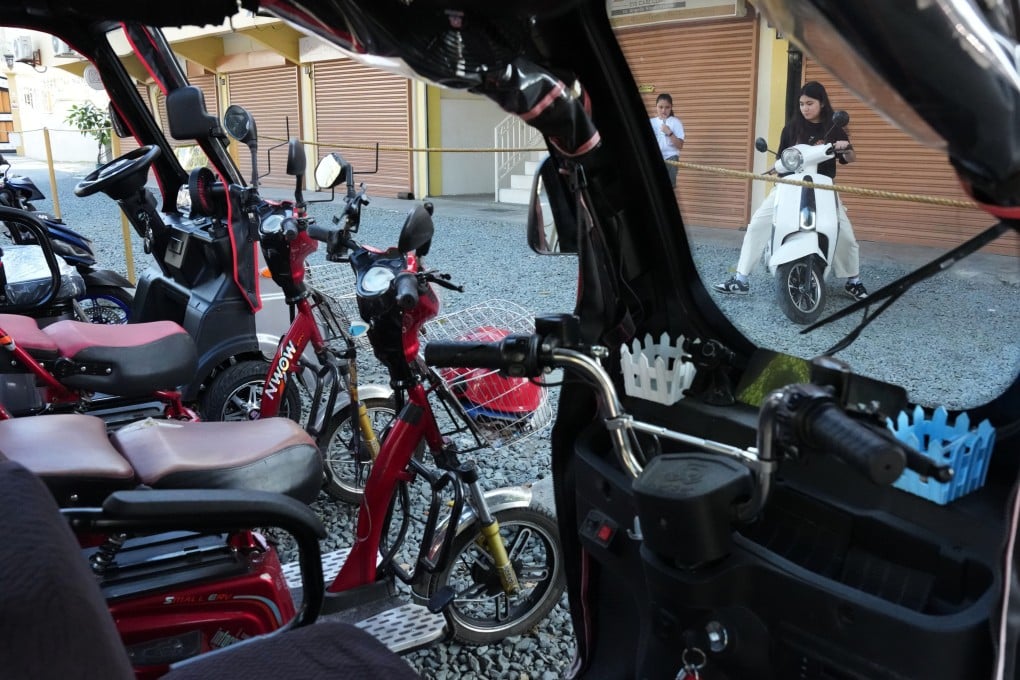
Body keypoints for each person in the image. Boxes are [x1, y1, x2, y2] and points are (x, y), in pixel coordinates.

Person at [714, 81, 869, 301]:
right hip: (788, 186)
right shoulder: (791, 128)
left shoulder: (833, 129)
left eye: (810, 103)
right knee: (757, 223)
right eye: (802, 104)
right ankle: (741, 279)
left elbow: (850, 158)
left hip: (823, 187)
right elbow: (781, 159)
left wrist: (845, 148)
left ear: (822, 103)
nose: (805, 108)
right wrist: (775, 169)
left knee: (845, 233)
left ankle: (853, 280)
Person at [650, 92, 685, 186]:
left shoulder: (676, 122)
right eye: (660, 107)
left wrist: (669, 132)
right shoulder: (651, 122)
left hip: (671, 157)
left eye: (667, 107)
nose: (663, 110)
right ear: (656, 106)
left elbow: (680, 145)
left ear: (671, 107)